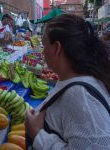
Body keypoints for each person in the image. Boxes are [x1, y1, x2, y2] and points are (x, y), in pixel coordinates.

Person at [25, 14, 110, 149]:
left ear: (56, 48)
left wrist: (37, 134)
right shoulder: (78, 79)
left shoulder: (81, 97)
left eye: (44, 44)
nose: (42, 52)